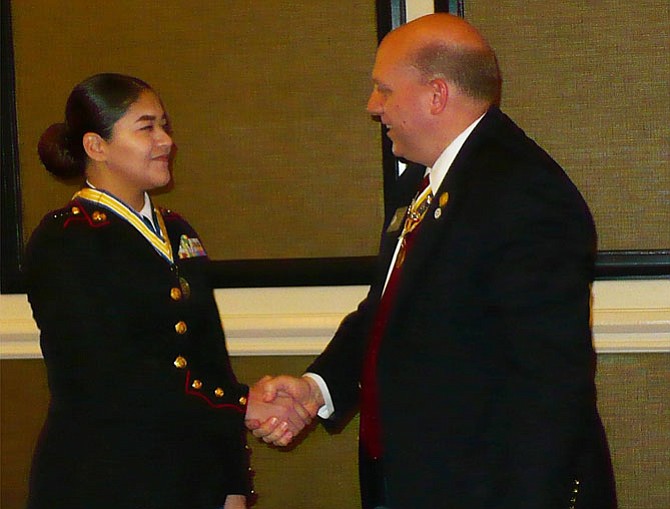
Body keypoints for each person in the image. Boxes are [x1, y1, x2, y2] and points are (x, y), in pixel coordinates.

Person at [246, 13, 617, 509]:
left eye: (384, 90)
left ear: (436, 95)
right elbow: (387, 311)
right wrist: (317, 388)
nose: (373, 107)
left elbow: (548, 386)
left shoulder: (522, 194)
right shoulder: (429, 183)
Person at [24, 73, 310, 509]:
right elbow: (110, 376)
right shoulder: (67, 240)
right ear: (95, 146)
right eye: (146, 127)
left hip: (193, 482)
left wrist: (233, 484)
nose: (166, 141)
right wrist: (243, 405)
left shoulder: (176, 231)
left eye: (164, 125)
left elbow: (211, 360)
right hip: (105, 480)